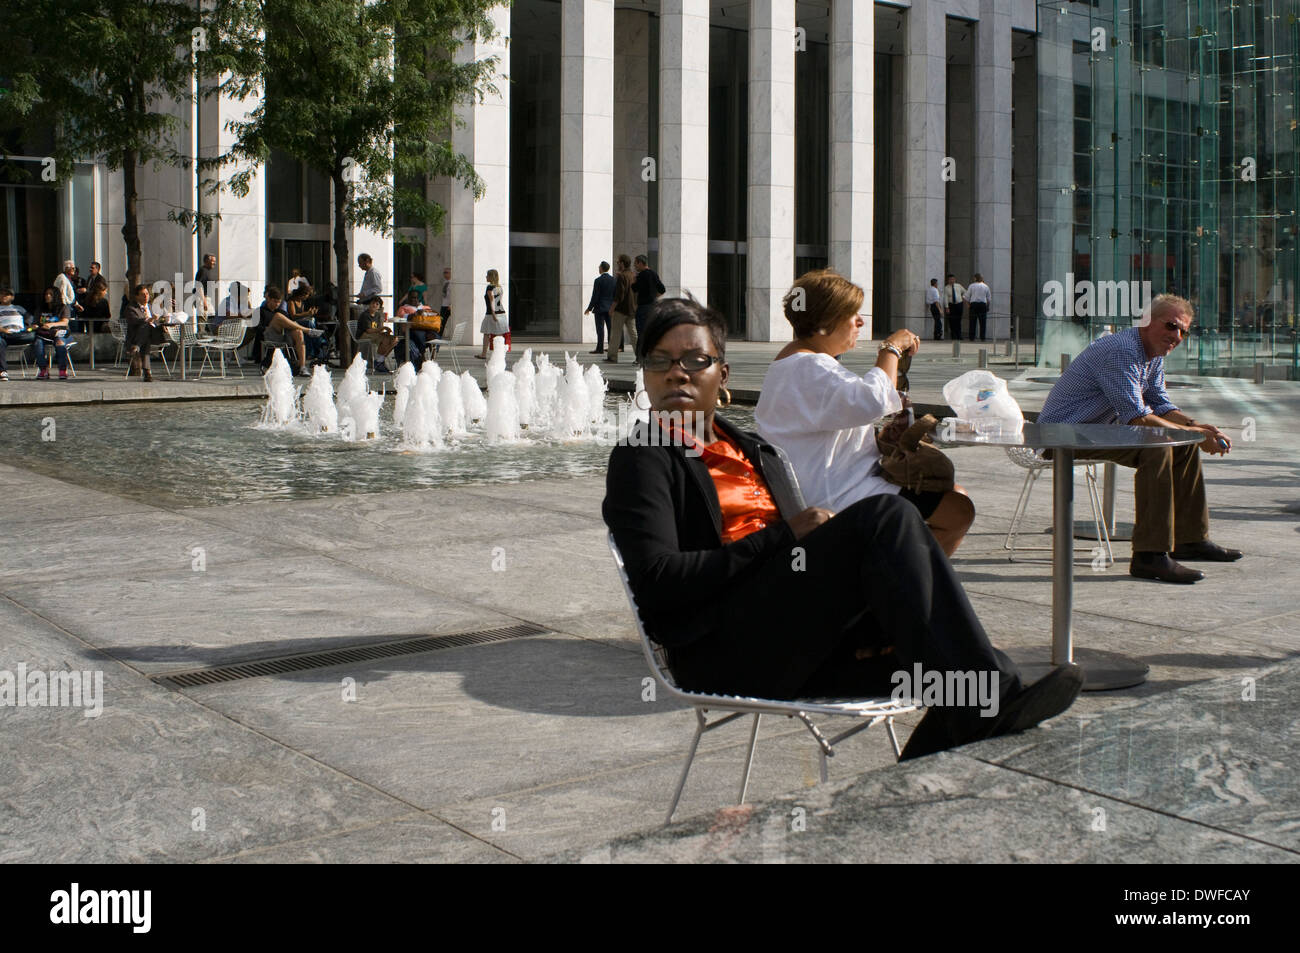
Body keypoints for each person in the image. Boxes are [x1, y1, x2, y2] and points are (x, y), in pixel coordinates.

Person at [603, 296, 1083, 762]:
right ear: (645, 373)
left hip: (800, 641)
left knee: (962, 663)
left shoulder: (753, 449)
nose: (676, 372)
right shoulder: (644, 456)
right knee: (887, 518)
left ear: (721, 375)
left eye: (695, 359)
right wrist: (786, 536)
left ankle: (926, 763)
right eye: (660, 360)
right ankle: (988, 700)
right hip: (725, 651)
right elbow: (659, 584)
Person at [755, 269, 976, 557]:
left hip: (832, 484)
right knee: (957, 511)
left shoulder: (797, 364)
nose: (860, 322)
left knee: (956, 499)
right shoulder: (809, 367)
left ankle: (903, 575)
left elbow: (838, 416)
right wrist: (891, 348)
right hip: (838, 493)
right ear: (826, 321)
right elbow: (871, 399)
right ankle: (903, 581)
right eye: (853, 314)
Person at [1038, 293, 1240, 584]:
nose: (1177, 336)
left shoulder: (1152, 353)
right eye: (1171, 326)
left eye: (1183, 331)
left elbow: (1161, 405)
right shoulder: (1121, 350)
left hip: (1096, 431)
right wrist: (1196, 435)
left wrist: (1199, 428)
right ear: (1146, 321)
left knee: (1180, 446)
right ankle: (1149, 556)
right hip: (1060, 434)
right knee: (1157, 446)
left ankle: (1190, 540)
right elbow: (1137, 416)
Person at [258, 285, 325, 376]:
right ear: (268, 299)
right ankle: (307, 330)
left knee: (298, 332)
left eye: (279, 302)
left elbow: (291, 322)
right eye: (275, 301)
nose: (277, 304)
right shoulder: (260, 311)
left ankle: (302, 367)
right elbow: (258, 329)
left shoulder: (282, 312)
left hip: (283, 335)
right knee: (278, 316)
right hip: (268, 334)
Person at [122, 283, 166, 382]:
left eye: (147, 293)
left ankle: (136, 346)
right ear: (137, 296)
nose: (146, 296)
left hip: (155, 336)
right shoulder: (131, 308)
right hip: (139, 336)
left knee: (147, 329)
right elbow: (134, 321)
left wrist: (162, 322)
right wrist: (149, 319)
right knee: (146, 338)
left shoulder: (151, 307)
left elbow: (157, 322)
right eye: (143, 294)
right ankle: (147, 373)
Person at [32, 287, 74, 379]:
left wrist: (52, 324)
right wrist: (35, 326)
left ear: (56, 296)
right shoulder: (40, 308)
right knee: (37, 343)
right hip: (44, 334)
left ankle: (62, 370)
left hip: (60, 333)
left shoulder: (63, 307)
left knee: (60, 343)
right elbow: (35, 323)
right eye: (46, 294)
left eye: (50, 294)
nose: (47, 296)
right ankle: (43, 369)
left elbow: (65, 322)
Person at [287, 285, 328, 368]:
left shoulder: (302, 303)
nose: (307, 297)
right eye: (306, 295)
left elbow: (301, 315)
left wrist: (310, 314)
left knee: (310, 323)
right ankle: (319, 341)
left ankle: (316, 344)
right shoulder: (292, 302)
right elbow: (293, 316)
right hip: (292, 323)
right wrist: (307, 314)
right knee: (309, 324)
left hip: (300, 323)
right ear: (302, 294)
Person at [606, 254, 637, 363]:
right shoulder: (633, 275)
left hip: (621, 310)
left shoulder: (622, 276)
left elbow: (619, 295)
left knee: (615, 334)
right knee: (633, 334)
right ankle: (640, 356)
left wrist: (612, 308)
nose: (617, 264)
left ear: (622, 263)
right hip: (632, 309)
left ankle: (612, 357)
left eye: (618, 262)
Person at [357, 294, 399, 372]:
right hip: (364, 335)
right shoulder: (365, 315)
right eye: (373, 303)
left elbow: (380, 329)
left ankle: (380, 360)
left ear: (379, 307)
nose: (374, 305)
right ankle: (379, 362)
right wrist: (383, 328)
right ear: (369, 304)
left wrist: (385, 331)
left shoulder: (378, 315)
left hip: (375, 334)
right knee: (385, 340)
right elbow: (368, 330)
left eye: (377, 304)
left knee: (394, 339)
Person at [0, 287, 34, 381]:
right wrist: (2, 330)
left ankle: (43, 369)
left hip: (20, 335)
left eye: (6, 294)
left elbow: (31, 320)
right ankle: (3, 372)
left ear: (12, 297)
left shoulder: (19, 308)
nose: (3, 296)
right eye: (1, 294)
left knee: (33, 335)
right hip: (4, 335)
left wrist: (29, 328)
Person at [584, 261, 615, 355]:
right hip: (610, 308)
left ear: (601, 268)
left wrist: (589, 308)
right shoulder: (614, 280)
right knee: (610, 329)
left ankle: (600, 348)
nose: (598, 268)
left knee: (600, 329)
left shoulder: (598, 280)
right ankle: (611, 348)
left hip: (600, 308)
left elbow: (595, 296)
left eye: (599, 267)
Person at [631, 254, 665, 338]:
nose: (634, 266)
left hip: (643, 307)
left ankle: (641, 351)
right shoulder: (654, 274)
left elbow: (634, 289)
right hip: (653, 306)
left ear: (640, 263)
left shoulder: (641, 275)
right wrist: (653, 297)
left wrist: (633, 280)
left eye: (635, 263)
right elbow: (662, 289)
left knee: (641, 332)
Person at [478, 269, 508, 359]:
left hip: (491, 313)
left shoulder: (490, 287)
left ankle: (484, 354)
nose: (486, 277)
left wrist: (493, 314)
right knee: (499, 334)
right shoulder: (499, 287)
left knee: (486, 333)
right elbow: (499, 301)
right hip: (501, 313)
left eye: (487, 275)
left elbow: (492, 301)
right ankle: (499, 355)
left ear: (491, 277)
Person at [966, 273, 990, 342]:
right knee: (983, 322)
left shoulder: (972, 286)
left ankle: (972, 337)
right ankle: (983, 337)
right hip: (982, 305)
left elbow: (966, 297)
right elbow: (988, 298)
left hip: (974, 304)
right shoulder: (986, 286)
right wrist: (988, 306)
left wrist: (968, 305)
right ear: (982, 278)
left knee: (972, 322)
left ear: (975, 278)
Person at [943, 273, 965, 342]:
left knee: (958, 320)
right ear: (948, 280)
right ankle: (953, 335)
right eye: (950, 279)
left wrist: (962, 297)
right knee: (952, 321)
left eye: (953, 279)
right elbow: (945, 298)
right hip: (951, 305)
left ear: (955, 279)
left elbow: (965, 292)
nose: (952, 280)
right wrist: (946, 307)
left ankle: (959, 335)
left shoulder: (958, 286)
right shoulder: (946, 288)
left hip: (959, 304)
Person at [438, 268, 453, 337]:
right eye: (444, 272)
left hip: (449, 305)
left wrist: (451, 304)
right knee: (441, 322)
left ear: (451, 273)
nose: (445, 274)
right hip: (444, 304)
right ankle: (439, 336)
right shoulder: (445, 282)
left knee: (443, 322)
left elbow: (454, 294)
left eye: (446, 272)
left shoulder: (452, 283)